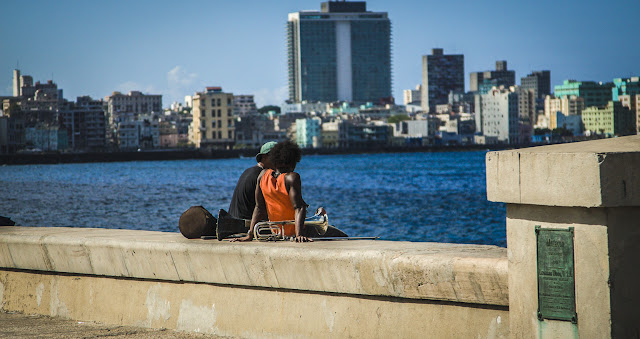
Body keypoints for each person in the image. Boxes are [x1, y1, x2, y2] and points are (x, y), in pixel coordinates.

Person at [232, 140, 315, 243]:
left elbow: (259, 208)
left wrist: (249, 235)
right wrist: (299, 235)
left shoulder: (262, 175)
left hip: (276, 232)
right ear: (293, 161)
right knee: (334, 232)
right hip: (294, 232)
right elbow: (299, 207)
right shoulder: (292, 178)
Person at [227, 141, 276, 219]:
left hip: (233, 221)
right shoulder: (264, 175)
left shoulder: (248, 171)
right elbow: (263, 208)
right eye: (275, 157)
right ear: (264, 157)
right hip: (245, 224)